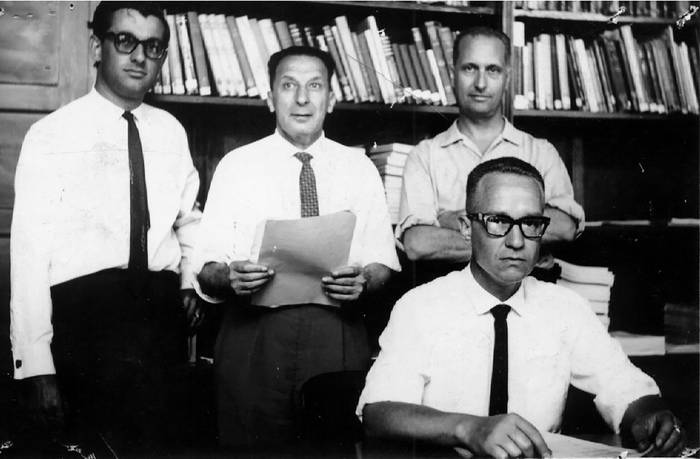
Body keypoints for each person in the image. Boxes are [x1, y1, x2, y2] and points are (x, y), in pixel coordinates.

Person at [358, 157, 685, 458]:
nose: (516, 241)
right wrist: (471, 428)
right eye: (498, 221)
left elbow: (622, 384)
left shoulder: (565, 307)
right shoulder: (420, 307)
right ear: (464, 226)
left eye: (530, 223)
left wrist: (648, 413)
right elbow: (379, 412)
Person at [10, 2, 202, 452]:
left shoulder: (172, 132)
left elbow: (188, 219)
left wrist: (191, 281)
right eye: (125, 41)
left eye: (153, 47)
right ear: (98, 46)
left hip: (159, 323)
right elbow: (29, 256)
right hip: (85, 325)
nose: (139, 56)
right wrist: (37, 366)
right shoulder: (52, 135)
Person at [193, 46, 400, 448]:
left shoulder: (359, 169)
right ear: (270, 96)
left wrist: (364, 280)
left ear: (332, 98)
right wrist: (230, 276)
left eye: (315, 86)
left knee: (333, 448)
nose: (302, 99)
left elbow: (384, 265)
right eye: (289, 86)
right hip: (255, 336)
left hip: (337, 333)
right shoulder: (237, 166)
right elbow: (205, 267)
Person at [398, 27, 584, 265]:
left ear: (507, 77)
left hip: (524, 296)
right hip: (451, 296)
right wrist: (522, 230)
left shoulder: (540, 152)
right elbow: (418, 244)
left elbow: (564, 227)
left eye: (492, 70)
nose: (481, 83)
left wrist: (455, 222)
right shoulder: (424, 156)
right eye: (469, 68)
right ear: (452, 73)